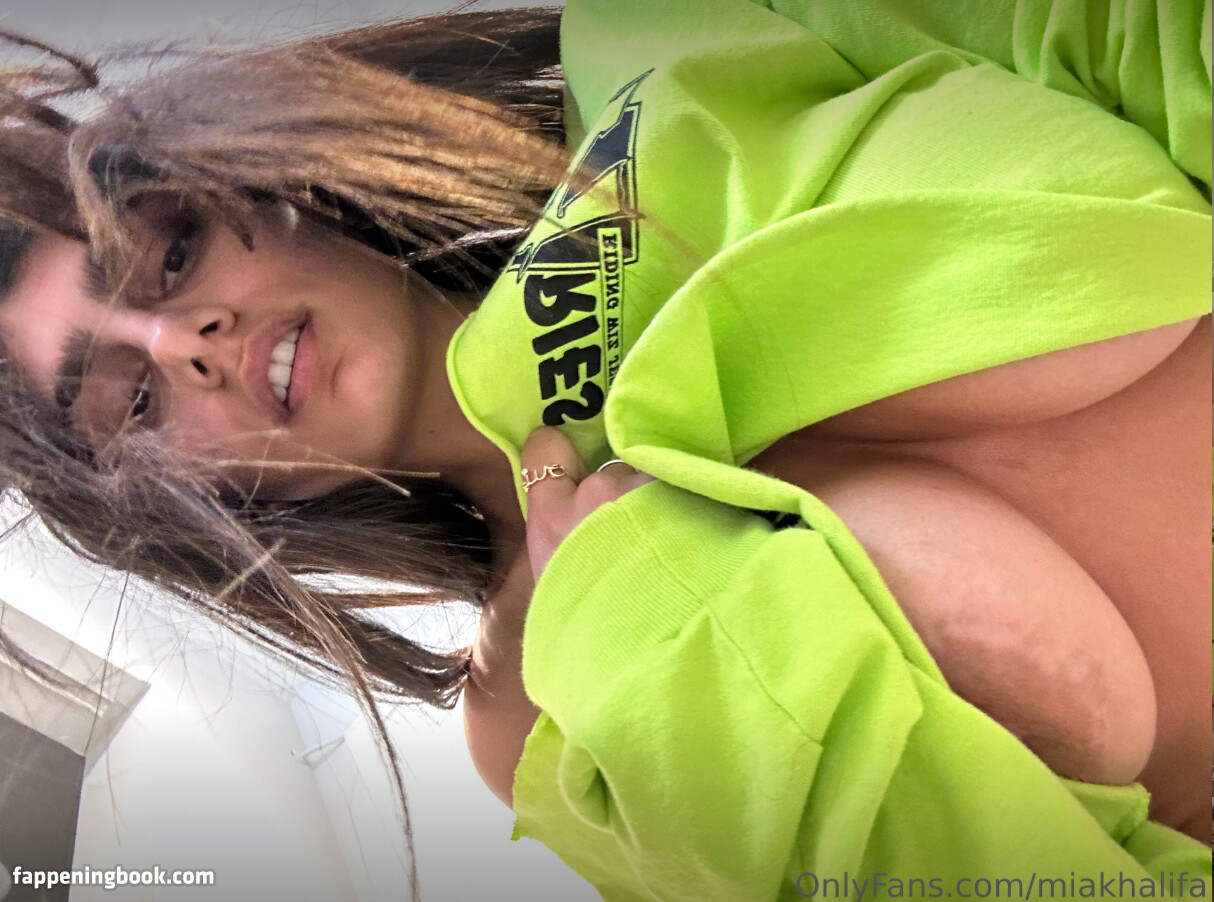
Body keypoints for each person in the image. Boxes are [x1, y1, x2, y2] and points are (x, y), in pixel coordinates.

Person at [0, 0, 1209, 897]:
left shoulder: (659, 45)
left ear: (241, 179)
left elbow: (1111, 31)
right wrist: (626, 610)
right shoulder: (531, 709)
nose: (186, 339)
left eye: (168, 254)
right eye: (133, 402)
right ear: (202, 507)